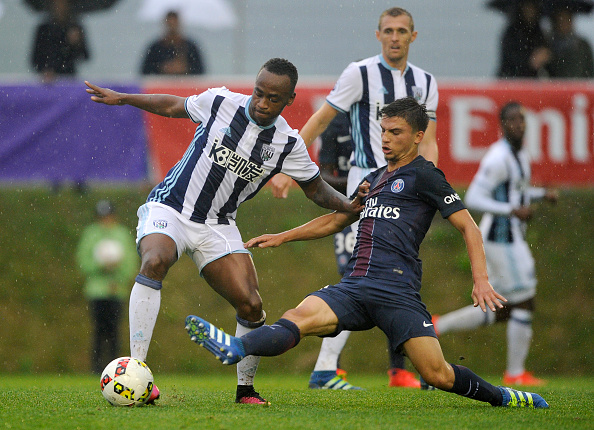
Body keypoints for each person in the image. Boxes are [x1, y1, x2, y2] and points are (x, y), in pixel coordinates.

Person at [185, 97, 549, 409]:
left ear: (418, 136)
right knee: (298, 316)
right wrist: (284, 236)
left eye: (396, 132)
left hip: (397, 291)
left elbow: (469, 226)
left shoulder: (426, 177)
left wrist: (481, 280)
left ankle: (504, 397)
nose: (386, 139)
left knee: (436, 374)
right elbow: (337, 220)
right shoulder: (374, 179)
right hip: (355, 286)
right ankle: (235, 346)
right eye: (384, 131)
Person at [85, 57, 364, 405]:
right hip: (170, 208)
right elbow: (172, 105)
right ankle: (135, 369)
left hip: (218, 224)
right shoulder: (221, 102)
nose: (262, 103)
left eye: (273, 98)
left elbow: (316, 189)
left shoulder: (288, 145)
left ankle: (244, 390)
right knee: (155, 260)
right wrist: (125, 98)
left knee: (251, 306)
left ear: (289, 100)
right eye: (258, 93)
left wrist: (349, 205)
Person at [271, 6, 438, 389]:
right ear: (377, 35)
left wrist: (430, 189)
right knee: (357, 277)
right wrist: (286, 167)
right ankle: (327, 369)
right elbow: (321, 119)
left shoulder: (426, 82)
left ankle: (408, 368)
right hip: (364, 192)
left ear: (413, 36)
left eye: (401, 31)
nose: (394, 37)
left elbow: (429, 141)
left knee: (396, 277)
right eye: (388, 30)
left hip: (407, 198)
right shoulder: (359, 73)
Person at [433, 101, 558, 387]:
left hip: (511, 236)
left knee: (501, 306)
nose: (519, 124)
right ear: (502, 125)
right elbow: (475, 198)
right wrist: (511, 211)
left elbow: (513, 192)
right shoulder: (497, 158)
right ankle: (515, 373)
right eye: (512, 120)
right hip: (501, 239)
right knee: (524, 298)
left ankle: (438, 325)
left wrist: (540, 196)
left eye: (522, 119)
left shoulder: (519, 155)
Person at [76, 200, 138, 374]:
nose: (106, 220)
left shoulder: (122, 234)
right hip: (97, 291)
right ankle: (96, 368)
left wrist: (117, 274)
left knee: (115, 331)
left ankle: (114, 367)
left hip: (117, 290)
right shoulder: (91, 234)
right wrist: (100, 266)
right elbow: (83, 261)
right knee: (98, 330)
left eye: (108, 216)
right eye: (102, 217)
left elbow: (130, 262)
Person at [31, 0, 90, 82]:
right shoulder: (43, 29)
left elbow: (85, 56)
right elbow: (35, 59)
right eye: (57, 3)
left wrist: (77, 44)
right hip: (47, 82)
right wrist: (45, 70)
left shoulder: (75, 28)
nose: (60, 7)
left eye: (64, 3)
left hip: (69, 80)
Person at [496, 0, 552, 78]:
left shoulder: (539, 32)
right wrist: (531, 61)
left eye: (533, 8)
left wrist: (545, 55)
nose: (530, 11)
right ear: (521, 9)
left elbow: (546, 55)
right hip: (511, 79)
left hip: (532, 81)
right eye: (527, 8)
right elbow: (511, 58)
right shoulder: (512, 32)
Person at [141, 10, 205, 75]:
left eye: (174, 24)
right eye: (170, 24)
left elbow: (200, 72)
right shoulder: (155, 48)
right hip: (162, 83)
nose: (172, 28)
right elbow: (145, 72)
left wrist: (185, 69)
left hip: (185, 84)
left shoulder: (190, 47)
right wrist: (162, 68)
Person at [547, 7, 594, 78]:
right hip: (557, 86)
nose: (564, 24)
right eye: (560, 20)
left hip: (579, 85)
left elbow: (590, 69)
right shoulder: (549, 45)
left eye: (567, 19)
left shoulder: (582, 44)